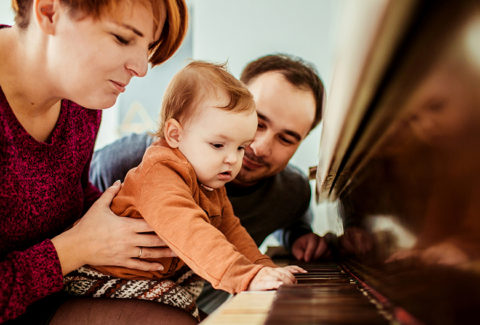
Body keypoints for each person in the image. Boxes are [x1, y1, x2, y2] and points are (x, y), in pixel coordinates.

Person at [90, 53, 328, 313]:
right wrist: (245, 276)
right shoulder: (147, 163)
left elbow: (232, 229)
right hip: (106, 280)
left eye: (286, 139)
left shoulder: (227, 181)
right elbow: (189, 228)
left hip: (174, 288)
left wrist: (265, 267)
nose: (258, 148)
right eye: (259, 123)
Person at [0, 0, 190, 324]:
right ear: (49, 12)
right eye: (122, 38)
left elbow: (66, 194)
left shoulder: (82, 101)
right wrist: (75, 248)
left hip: (47, 296)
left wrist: (135, 222)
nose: (142, 68)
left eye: (148, 46)